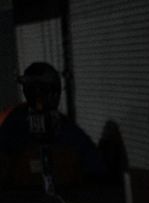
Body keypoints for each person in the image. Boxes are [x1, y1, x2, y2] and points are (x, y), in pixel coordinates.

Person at [0, 62, 105, 191]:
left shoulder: (65, 127)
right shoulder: (14, 122)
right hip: (21, 201)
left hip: (64, 201)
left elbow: (94, 166)